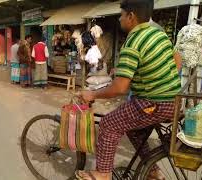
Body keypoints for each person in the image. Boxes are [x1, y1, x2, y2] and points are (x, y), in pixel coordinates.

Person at [76, 0, 181, 180]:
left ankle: (102, 173)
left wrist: (92, 94)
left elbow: (120, 88)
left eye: (122, 15)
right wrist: (160, 81)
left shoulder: (133, 41)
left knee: (109, 124)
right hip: (174, 100)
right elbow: (177, 60)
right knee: (133, 129)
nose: (119, 19)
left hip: (152, 103)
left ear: (131, 16)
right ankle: (153, 171)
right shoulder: (159, 34)